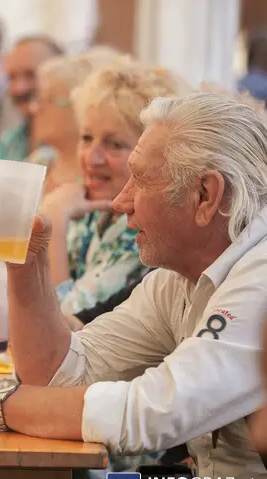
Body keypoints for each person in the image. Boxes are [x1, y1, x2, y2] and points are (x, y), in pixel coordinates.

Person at [0, 92, 267, 479]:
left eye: (141, 181)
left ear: (205, 195)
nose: (120, 201)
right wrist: (27, 263)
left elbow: (149, 413)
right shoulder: (176, 279)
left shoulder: (257, 279)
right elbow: (62, 376)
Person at [40, 58, 187, 316]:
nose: (91, 158)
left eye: (114, 144)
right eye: (86, 138)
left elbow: (59, 326)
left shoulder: (145, 234)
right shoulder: (91, 210)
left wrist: (53, 221)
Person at [29, 46, 120, 194]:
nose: (34, 108)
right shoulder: (40, 161)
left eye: (46, 99)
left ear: (79, 106)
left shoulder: (99, 180)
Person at [0, 35, 63, 164]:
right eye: (12, 77)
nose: (19, 88)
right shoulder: (10, 141)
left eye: (31, 75)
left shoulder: (72, 147)